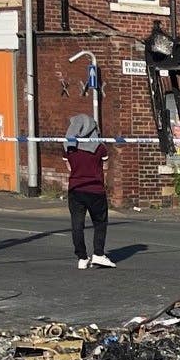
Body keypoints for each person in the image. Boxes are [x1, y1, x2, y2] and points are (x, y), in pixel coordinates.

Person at [63, 114, 114, 270]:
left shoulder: (68, 147)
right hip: (95, 189)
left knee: (77, 224)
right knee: (100, 222)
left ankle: (82, 257)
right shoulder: (99, 147)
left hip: (76, 190)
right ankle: (98, 253)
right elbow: (105, 166)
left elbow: (69, 168)